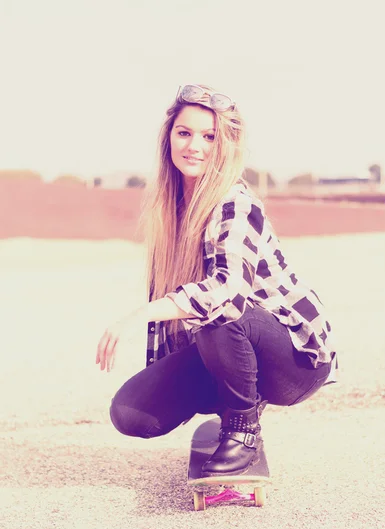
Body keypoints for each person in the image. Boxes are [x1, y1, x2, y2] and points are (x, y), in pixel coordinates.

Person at [96, 83, 338, 477]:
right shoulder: (170, 210)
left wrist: (135, 316)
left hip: (295, 359)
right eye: (185, 133)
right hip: (232, 343)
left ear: (224, 145)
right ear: (169, 137)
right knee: (131, 413)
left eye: (210, 136)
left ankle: (242, 428)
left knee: (218, 311)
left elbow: (227, 294)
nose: (195, 146)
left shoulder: (235, 204)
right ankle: (242, 397)